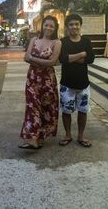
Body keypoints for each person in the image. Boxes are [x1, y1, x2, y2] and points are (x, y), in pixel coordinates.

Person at [19, 16, 62, 149]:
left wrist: (33, 59)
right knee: (32, 107)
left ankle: (40, 137)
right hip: (32, 79)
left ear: (55, 29)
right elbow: (26, 57)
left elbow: (53, 62)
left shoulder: (57, 43)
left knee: (46, 108)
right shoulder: (34, 40)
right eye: (46, 25)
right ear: (42, 26)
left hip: (48, 80)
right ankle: (32, 138)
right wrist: (40, 61)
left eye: (51, 26)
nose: (48, 28)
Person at [59, 14, 95, 147]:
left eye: (76, 24)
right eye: (71, 24)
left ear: (80, 25)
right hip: (66, 84)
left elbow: (91, 58)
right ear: (67, 27)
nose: (74, 26)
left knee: (83, 111)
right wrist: (82, 54)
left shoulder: (86, 41)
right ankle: (68, 135)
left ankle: (81, 136)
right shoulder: (63, 42)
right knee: (66, 111)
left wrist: (71, 58)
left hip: (83, 84)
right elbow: (62, 59)